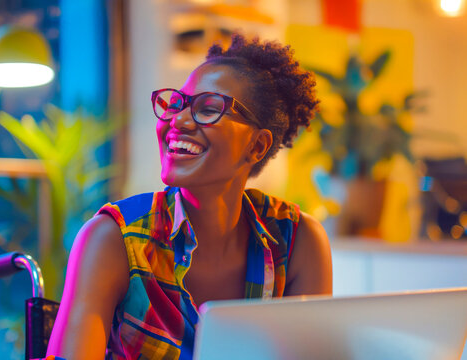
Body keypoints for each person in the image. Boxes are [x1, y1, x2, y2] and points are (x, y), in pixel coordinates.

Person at [46, 33, 332, 360]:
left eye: (208, 109)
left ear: (257, 146)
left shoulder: (298, 241)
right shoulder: (113, 239)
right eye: (178, 104)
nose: (177, 120)